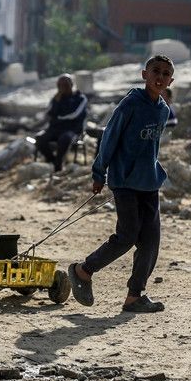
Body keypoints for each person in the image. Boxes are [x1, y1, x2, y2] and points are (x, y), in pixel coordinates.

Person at [68, 55, 175, 313]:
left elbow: (152, 147)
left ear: (171, 81)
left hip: (149, 182)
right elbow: (110, 137)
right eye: (156, 71)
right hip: (125, 181)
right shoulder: (130, 104)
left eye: (165, 74)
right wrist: (99, 172)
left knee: (150, 240)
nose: (160, 77)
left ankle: (134, 296)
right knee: (127, 236)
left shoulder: (163, 110)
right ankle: (83, 270)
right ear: (144, 75)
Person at [36, 74, 88, 172]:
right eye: (60, 85)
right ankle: (53, 161)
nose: (62, 87)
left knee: (64, 139)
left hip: (72, 129)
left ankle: (58, 163)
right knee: (40, 138)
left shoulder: (80, 98)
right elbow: (49, 113)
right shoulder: (56, 98)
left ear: (71, 85)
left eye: (65, 85)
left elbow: (74, 114)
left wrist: (58, 117)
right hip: (55, 129)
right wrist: (56, 102)